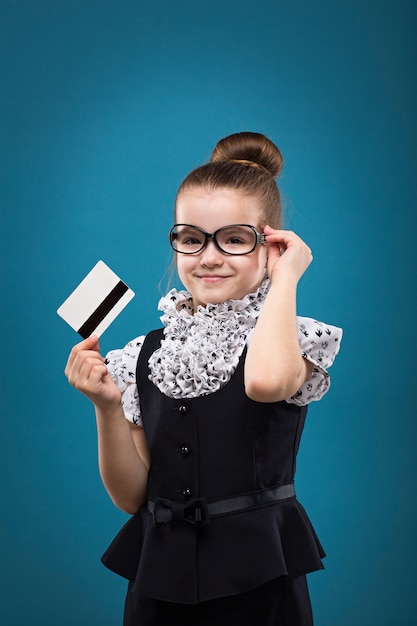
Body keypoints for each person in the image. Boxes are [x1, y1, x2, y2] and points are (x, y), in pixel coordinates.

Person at [65, 131, 342, 625]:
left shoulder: (291, 338)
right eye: (191, 239)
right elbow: (131, 497)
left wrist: (287, 278)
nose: (209, 256)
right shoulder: (149, 354)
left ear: (270, 244)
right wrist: (106, 406)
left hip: (260, 575)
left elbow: (264, 383)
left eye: (234, 239)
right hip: (160, 581)